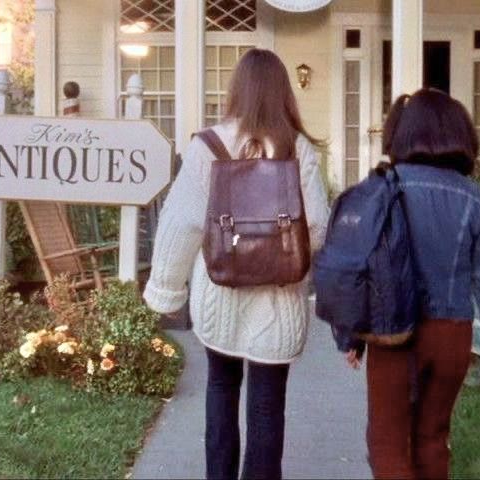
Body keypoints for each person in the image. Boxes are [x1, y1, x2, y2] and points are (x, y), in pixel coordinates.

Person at [142, 48, 330, 480]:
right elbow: (316, 227)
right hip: (279, 306)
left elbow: (183, 223)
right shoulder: (297, 148)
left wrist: (165, 291)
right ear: (283, 92)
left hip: (219, 297)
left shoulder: (208, 145)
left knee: (221, 390)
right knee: (267, 406)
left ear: (237, 90)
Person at [345, 88, 480, 479]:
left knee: (387, 443)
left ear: (402, 134)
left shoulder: (383, 188)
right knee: (433, 438)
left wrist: (352, 335)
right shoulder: (474, 198)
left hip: (393, 333)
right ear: (460, 135)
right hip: (451, 335)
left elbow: (361, 269)